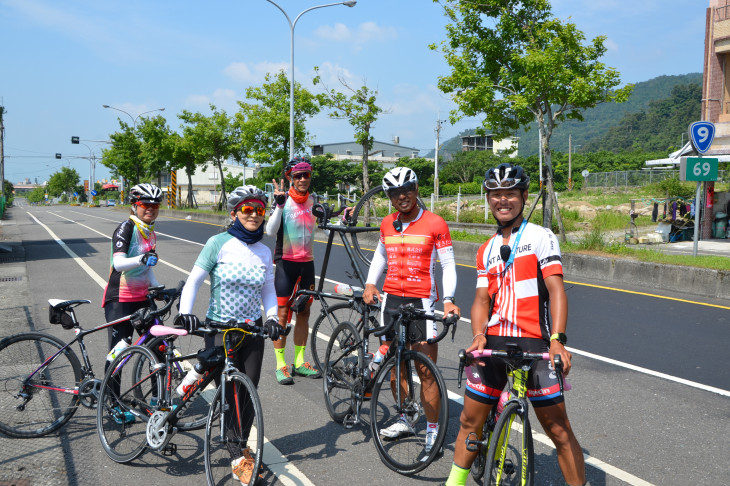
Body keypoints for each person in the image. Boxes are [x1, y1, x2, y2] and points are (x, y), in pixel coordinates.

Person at [442, 163, 586, 486]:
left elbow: (555, 289)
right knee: (469, 420)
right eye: (495, 194)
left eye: (510, 194)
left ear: (523, 196)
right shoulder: (486, 250)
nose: (502, 200)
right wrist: (478, 334)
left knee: (559, 430)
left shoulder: (540, 238)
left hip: (534, 342)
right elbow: (482, 299)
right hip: (493, 342)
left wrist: (558, 339)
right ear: (488, 199)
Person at [174, 185, 282, 485]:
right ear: (235, 212)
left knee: (247, 390)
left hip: (252, 330)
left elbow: (268, 288)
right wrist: (186, 312)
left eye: (260, 210)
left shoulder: (263, 249)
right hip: (219, 328)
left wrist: (272, 317)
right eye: (248, 209)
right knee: (227, 391)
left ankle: (238, 446)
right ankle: (237, 454)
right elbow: (195, 280)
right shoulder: (218, 242)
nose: (254, 215)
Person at [362, 166, 460, 456]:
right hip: (392, 300)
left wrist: (450, 299)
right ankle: (406, 416)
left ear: (417, 190)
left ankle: (432, 432)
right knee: (395, 369)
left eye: (407, 190)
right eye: (395, 192)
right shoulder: (387, 223)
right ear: (389, 197)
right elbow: (381, 255)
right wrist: (370, 283)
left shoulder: (435, 223)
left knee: (426, 371)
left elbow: (449, 265)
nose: (402, 196)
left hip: (422, 303)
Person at [102, 183, 162, 401]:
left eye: (156, 204)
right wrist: (141, 258)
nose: (151, 208)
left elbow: (148, 267)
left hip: (143, 299)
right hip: (120, 298)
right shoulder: (126, 228)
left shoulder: (150, 232)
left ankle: (158, 401)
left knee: (159, 348)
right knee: (119, 352)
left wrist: (156, 288)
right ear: (135, 205)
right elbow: (118, 264)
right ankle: (111, 402)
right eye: (146, 204)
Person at [265, 157, 321, 384]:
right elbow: (269, 231)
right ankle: (281, 364)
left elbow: (322, 224)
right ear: (289, 177)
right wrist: (278, 206)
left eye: (306, 174)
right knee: (282, 315)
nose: (303, 179)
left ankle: (299, 362)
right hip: (285, 264)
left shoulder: (313, 201)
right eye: (298, 175)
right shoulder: (283, 199)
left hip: (307, 264)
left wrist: (341, 216)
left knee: (304, 313)